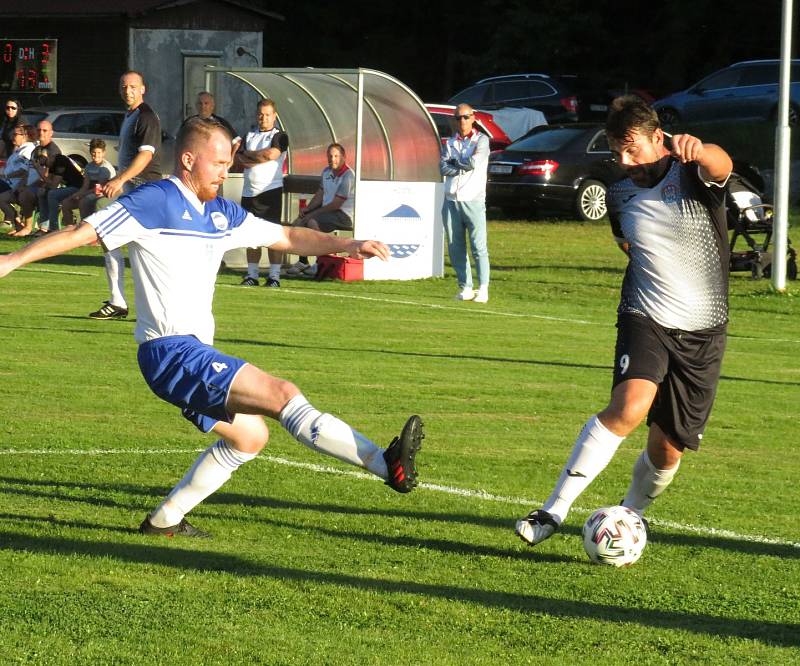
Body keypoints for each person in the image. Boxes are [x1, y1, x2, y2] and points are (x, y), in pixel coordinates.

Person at [0, 117, 424, 538]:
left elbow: (286, 237)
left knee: (249, 437)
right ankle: (387, 465)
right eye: (218, 163)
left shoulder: (221, 212)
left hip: (190, 354)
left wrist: (347, 244)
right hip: (171, 353)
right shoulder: (154, 201)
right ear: (188, 159)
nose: (227, 171)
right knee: (283, 393)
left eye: (229, 163)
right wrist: (12, 260)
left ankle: (164, 521)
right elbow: (81, 232)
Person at [515, 96, 733, 547]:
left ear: (660, 139)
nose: (625, 161)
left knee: (668, 449)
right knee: (629, 408)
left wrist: (701, 146)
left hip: (703, 329)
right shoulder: (619, 193)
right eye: (617, 152)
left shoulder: (692, 173)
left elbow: (722, 165)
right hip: (645, 314)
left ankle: (630, 514)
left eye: (633, 149)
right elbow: (628, 243)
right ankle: (553, 510)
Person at [90, 70, 162, 321]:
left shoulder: (146, 117)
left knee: (108, 235)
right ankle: (121, 302)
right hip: (134, 193)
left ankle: (120, 302)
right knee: (132, 248)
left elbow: (146, 155)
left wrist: (120, 179)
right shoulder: (130, 116)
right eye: (123, 86)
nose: (128, 90)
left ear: (143, 89)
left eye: (133, 86)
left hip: (145, 193)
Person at [440, 103, 491, 303]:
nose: (462, 121)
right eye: (458, 118)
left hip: (474, 200)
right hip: (451, 200)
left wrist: (455, 163)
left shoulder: (482, 140)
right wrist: (458, 164)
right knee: (455, 246)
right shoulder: (449, 142)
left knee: (479, 247)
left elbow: (474, 163)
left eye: (466, 117)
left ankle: (483, 288)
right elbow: (443, 168)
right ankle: (465, 287)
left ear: (473, 118)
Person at [234, 98, 287, 287]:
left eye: (267, 115)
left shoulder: (279, 136)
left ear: (274, 116)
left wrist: (251, 156)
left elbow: (271, 155)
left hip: (270, 192)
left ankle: (274, 276)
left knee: (272, 235)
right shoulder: (249, 135)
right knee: (250, 235)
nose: (263, 118)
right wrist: (257, 157)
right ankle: (252, 275)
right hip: (249, 192)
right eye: (260, 114)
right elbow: (239, 159)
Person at [284, 143, 354, 278]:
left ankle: (320, 261)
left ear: (344, 157)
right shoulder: (326, 172)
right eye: (330, 156)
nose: (332, 159)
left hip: (344, 215)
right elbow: (320, 194)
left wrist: (313, 214)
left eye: (336, 156)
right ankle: (303, 262)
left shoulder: (348, 176)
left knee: (312, 222)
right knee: (298, 223)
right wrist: (308, 208)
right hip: (327, 211)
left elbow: (336, 204)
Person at [18, 120, 62, 235]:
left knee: (35, 193)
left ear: (51, 133)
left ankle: (38, 228)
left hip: (51, 186)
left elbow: (49, 179)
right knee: (16, 192)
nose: (41, 133)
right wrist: (22, 185)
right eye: (39, 130)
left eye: (45, 130)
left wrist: (29, 187)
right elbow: (28, 170)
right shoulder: (37, 149)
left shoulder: (53, 151)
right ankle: (19, 225)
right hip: (36, 184)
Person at [60, 139, 117, 226]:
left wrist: (82, 195)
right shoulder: (89, 166)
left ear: (104, 153)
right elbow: (85, 185)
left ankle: (84, 227)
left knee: (84, 201)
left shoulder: (105, 168)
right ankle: (69, 228)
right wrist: (77, 194)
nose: (96, 155)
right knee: (66, 203)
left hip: (103, 194)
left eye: (99, 152)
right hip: (90, 192)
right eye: (94, 152)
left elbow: (99, 189)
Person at [32, 153, 84, 236]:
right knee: (42, 193)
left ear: (49, 156)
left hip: (78, 188)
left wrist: (39, 170)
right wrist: (42, 187)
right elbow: (48, 182)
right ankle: (43, 228)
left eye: (41, 158)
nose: (41, 162)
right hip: (69, 187)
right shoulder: (52, 164)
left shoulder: (60, 161)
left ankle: (53, 229)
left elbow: (53, 185)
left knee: (52, 194)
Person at [0, 125, 36, 236]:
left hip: (15, 185)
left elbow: (24, 170)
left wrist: (7, 176)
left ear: (25, 136)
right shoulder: (18, 150)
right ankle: (18, 225)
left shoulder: (28, 150)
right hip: (8, 183)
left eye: (16, 134)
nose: (12, 137)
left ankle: (20, 225)